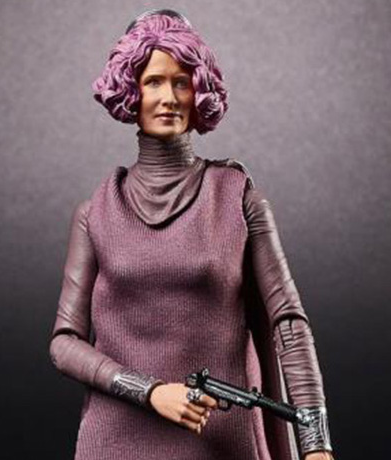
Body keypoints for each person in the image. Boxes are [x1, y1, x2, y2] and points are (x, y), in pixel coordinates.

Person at [49, 9, 334, 460]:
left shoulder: (237, 199)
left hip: (219, 438)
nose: (168, 97)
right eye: (153, 82)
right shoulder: (96, 213)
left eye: (181, 82)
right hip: (116, 440)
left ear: (197, 91)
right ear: (131, 90)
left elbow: (289, 323)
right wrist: (150, 391)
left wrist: (316, 444)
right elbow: (65, 343)